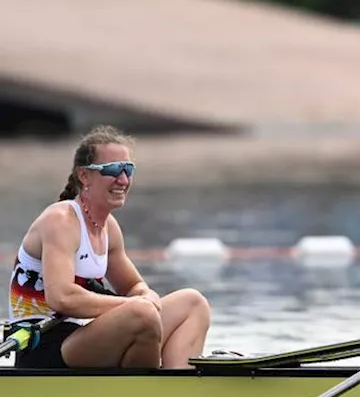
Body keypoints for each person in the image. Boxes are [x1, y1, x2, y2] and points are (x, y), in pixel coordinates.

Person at [6, 126, 212, 369]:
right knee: (141, 315)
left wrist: (146, 296)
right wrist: (133, 305)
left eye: (128, 169)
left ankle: (180, 389)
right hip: (44, 346)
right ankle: (146, 395)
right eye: (113, 170)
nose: (123, 180)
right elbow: (62, 297)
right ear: (84, 176)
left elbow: (133, 286)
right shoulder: (60, 221)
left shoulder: (109, 228)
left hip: (84, 336)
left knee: (193, 303)